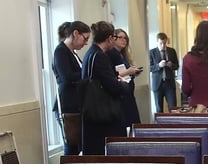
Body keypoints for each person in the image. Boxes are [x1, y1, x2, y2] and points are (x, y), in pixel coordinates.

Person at [81, 21, 130, 155]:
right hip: (103, 114)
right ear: (109, 38)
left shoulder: (89, 54)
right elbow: (113, 86)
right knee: (110, 154)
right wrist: (124, 84)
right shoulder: (100, 56)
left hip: (92, 112)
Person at [52, 20, 90, 156]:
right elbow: (67, 77)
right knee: (71, 145)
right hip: (66, 106)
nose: (86, 43)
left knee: (77, 145)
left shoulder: (72, 52)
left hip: (76, 105)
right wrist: (88, 72)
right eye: (85, 39)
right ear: (75, 34)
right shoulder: (60, 51)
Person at [107, 28, 142, 127]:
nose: (124, 40)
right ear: (113, 39)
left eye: (125, 38)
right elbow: (113, 74)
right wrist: (128, 71)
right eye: (120, 38)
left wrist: (133, 72)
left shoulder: (122, 55)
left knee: (133, 122)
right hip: (120, 94)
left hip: (129, 92)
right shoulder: (110, 54)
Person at [150, 32, 180, 113]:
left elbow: (177, 66)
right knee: (159, 109)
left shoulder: (172, 51)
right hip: (157, 84)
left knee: (173, 107)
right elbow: (149, 68)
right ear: (157, 42)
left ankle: (174, 125)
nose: (163, 45)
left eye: (164, 43)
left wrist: (171, 65)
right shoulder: (152, 52)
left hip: (169, 83)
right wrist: (158, 65)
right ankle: (160, 125)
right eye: (161, 43)